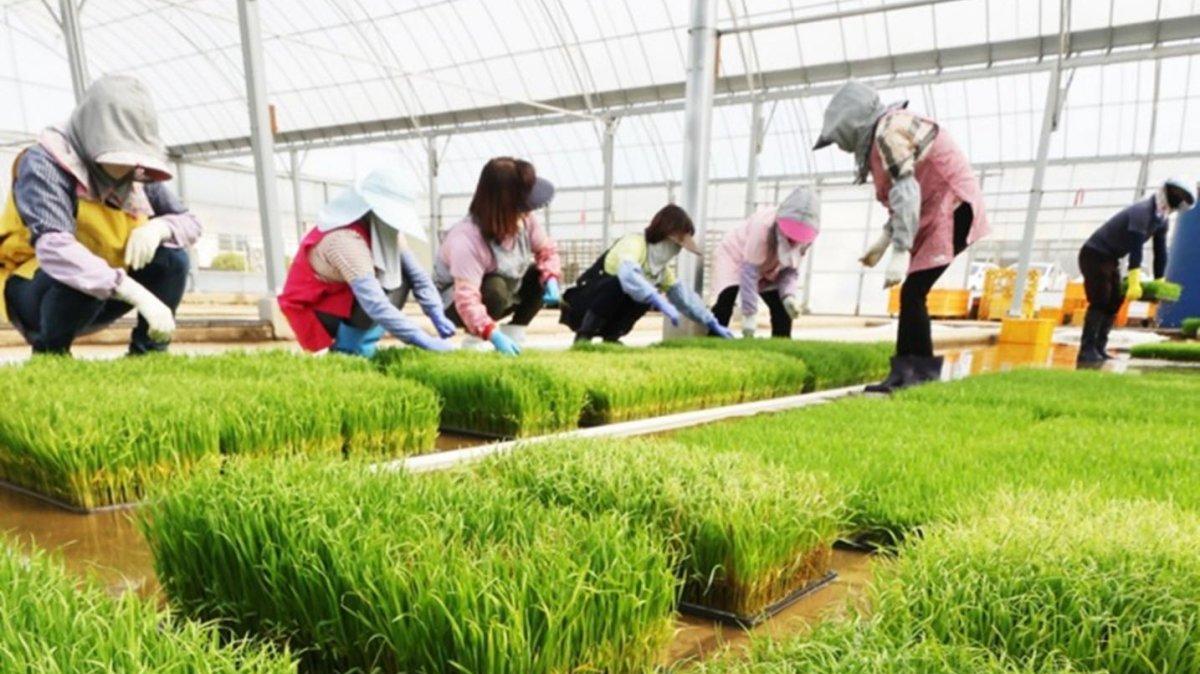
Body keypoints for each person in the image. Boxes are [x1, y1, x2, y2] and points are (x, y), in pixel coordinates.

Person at [0, 75, 197, 356]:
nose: (127, 169)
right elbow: (55, 248)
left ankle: (149, 352)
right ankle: (51, 354)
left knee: (173, 257)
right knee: (77, 273)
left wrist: (159, 228)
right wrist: (134, 291)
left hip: (107, 285)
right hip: (38, 288)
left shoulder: (136, 174)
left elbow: (189, 222)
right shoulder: (45, 164)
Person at [813, 80, 989, 393]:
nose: (841, 147)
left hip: (953, 208)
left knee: (912, 293)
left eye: (839, 139)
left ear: (851, 124)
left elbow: (907, 192)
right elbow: (901, 199)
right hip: (939, 209)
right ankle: (906, 374)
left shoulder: (888, 132)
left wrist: (899, 251)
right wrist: (881, 245)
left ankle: (918, 376)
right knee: (912, 294)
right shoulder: (886, 131)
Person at [278, 168, 455, 357]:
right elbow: (375, 303)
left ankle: (362, 343)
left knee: (399, 277)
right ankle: (347, 349)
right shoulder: (345, 240)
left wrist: (436, 311)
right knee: (383, 287)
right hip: (318, 308)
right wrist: (421, 338)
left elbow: (417, 275)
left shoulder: (384, 231)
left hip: (346, 297)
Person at [433, 157, 561, 356]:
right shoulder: (466, 239)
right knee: (495, 287)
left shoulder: (525, 220)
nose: (527, 212)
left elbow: (546, 251)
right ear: (505, 205)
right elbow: (466, 298)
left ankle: (515, 333)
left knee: (539, 275)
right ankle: (475, 341)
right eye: (522, 206)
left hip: (505, 294)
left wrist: (551, 278)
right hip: (456, 304)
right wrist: (490, 332)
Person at [560, 204, 734, 343]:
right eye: (674, 244)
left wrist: (712, 322)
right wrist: (656, 298)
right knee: (624, 284)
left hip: (607, 315)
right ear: (663, 235)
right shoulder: (634, 244)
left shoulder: (660, 272)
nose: (675, 250)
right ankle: (584, 337)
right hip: (583, 307)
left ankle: (611, 338)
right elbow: (628, 274)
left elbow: (686, 299)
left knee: (645, 292)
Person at [1076, 178, 1194, 366]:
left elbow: (1160, 251)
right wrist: (1134, 281)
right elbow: (1136, 248)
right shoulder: (1142, 212)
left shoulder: (1161, 219)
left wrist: (1159, 282)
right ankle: (1086, 350)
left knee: (1115, 300)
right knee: (1101, 299)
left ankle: (1099, 347)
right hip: (1094, 254)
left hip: (1110, 258)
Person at [711, 186, 819, 338]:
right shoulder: (763, 225)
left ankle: (781, 347)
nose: (792, 240)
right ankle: (713, 341)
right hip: (735, 256)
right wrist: (749, 314)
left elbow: (789, 271)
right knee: (726, 300)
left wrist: (788, 296)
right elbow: (749, 271)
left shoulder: (807, 238)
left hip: (769, 265)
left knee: (782, 309)